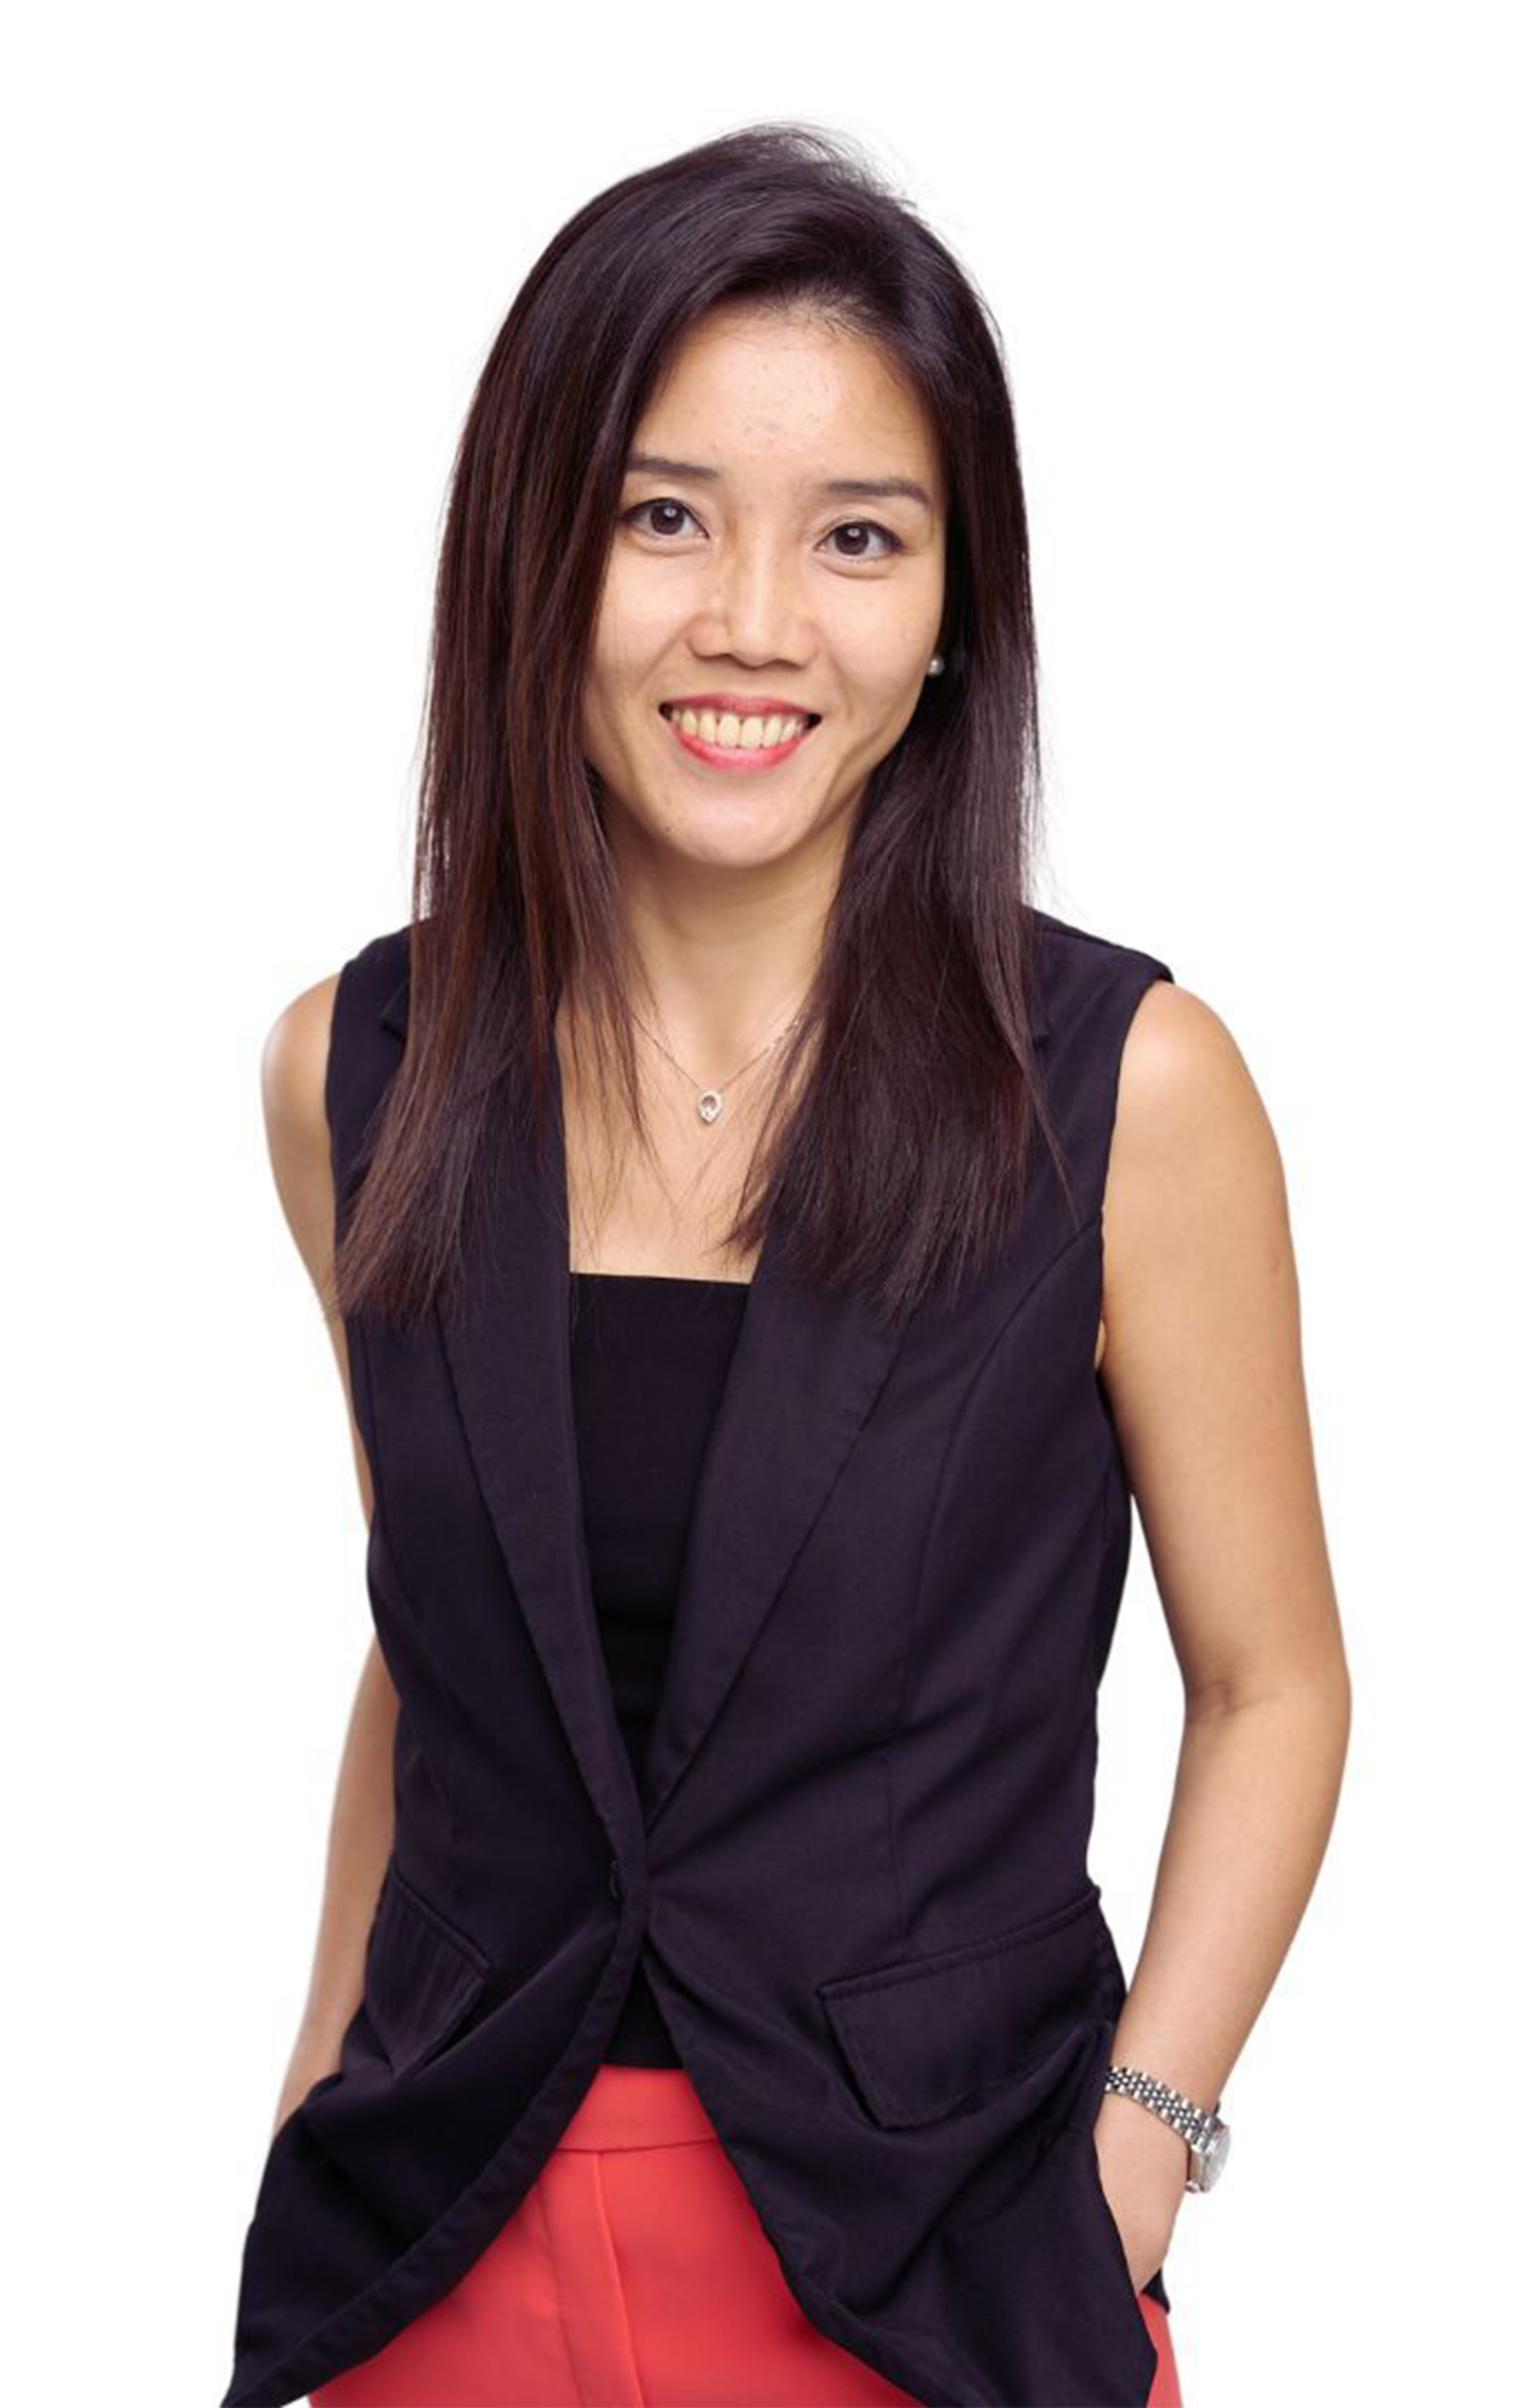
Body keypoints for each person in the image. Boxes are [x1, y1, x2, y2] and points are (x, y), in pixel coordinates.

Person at [222, 121, 1350, 2408]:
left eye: (857, 536)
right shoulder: (358, 1064)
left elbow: (1273, 1685)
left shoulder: (1124, 1087)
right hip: (444, 2233)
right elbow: (437, 1655)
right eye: (663, 517)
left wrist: (1131, 2167)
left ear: (952, 608)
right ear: (535, 553)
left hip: (931, 2264)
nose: (754, 621)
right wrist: (312, 2095)